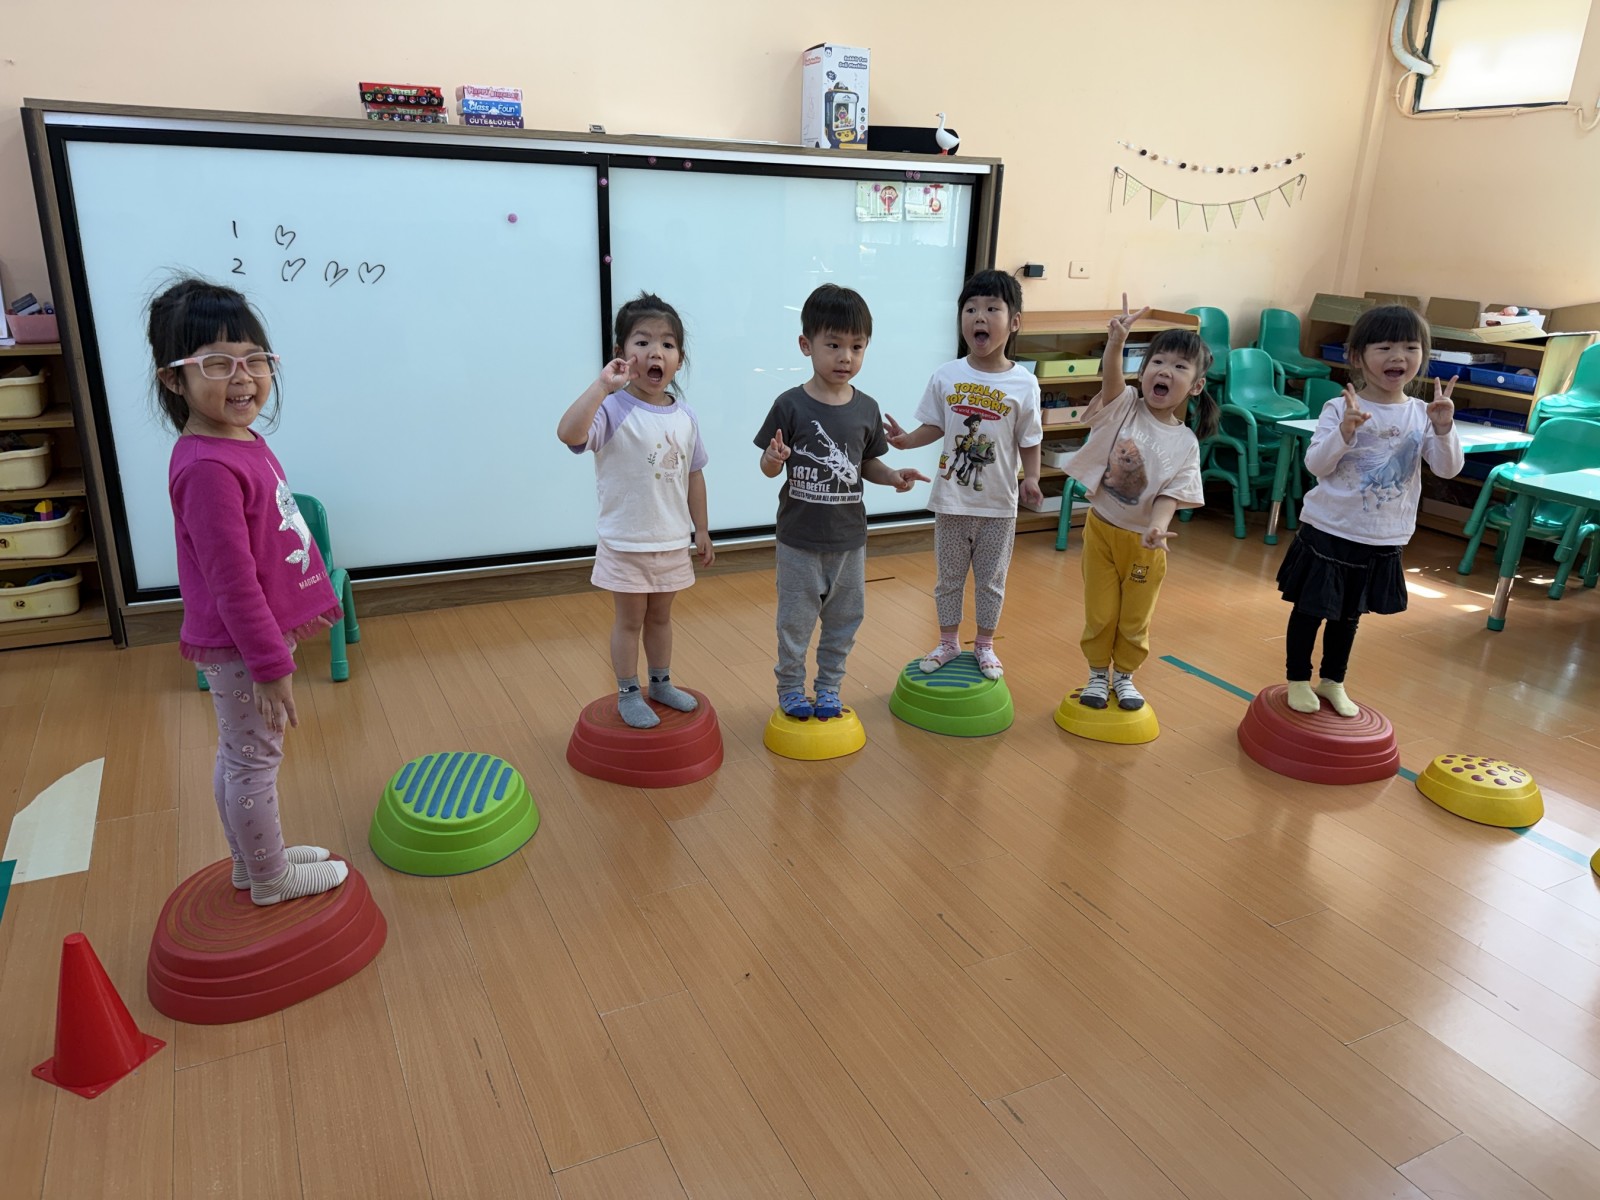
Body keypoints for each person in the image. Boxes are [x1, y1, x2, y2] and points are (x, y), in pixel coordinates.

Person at [152, 278, 346, 906]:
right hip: (244, 646)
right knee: (253, 762)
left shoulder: (238, 442)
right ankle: (269, 878)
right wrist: (269, 664)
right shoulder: (208, 466)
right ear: (173, 379)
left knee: (240, 755)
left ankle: (249, 863)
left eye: (254, 359)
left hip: (253, 639)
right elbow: (233, 585)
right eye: (216, 363)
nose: (243, 378)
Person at [1276, 304, 1462, 716]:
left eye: (1410, 347)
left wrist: (1444, 428)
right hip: (1329, 528)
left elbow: (1447, 468)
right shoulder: (1339, 407)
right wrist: (1345, 432)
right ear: (1357, 357)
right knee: (1310, 609)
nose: (1399, 356)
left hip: (1382, 535)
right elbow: (1315, 465)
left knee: (1349, 616)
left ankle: (1333, 680)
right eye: (1385, 347)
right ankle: (1297, 678)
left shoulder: (1423, 413)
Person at [754, 284, 929, 720]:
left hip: (850, 541)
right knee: (795, 621)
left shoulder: (866, 408)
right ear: (806, 345)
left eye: (856, 346)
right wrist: (773, 460)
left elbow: (865, 463)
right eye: (833, 345)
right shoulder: (789, 405)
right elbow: (768, 467)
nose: (845, 357)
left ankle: (829, 687)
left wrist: (893, 477)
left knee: (845, 619)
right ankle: (791, 688)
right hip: (798, 540)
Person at [558, 293, 712, 729]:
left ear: (679, 359)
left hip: (671, 542)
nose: (655, 352)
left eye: (667, 344)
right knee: (629, 621)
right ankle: (628, 690)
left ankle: (660, 682)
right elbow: (568, 434)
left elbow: (694, 474)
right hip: (626, 542)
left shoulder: (685, 416)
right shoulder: (612, 408)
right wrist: (602, 387)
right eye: (642, 342)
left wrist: (701, 529)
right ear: (621, 354)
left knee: (661, 618)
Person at [884, 269, 1043, 679]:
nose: (979, 317)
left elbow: (1030, 438)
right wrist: (906, 441)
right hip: (952, 501)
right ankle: (949, 642)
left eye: (992, 309)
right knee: (949, 579)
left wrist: (1032, 478)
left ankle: (985, 645)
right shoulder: (947, 375)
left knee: (991, 581)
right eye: (970, 309)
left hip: (998, 505)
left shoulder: (1024, 383)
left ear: (1014, 322)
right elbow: (935, 425)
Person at [1064, 294, 1218, 710]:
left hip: (1146, 544)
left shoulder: (1186, 443)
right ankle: (1098, 675)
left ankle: (1126, 676)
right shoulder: (1125, 407)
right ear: (1144, 371)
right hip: (1101, 530)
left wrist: (1157, 527)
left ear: (1196, 386)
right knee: (1100, 612)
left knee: (1134, 616)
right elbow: (1112, 381)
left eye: (1180, 367)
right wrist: (1116, 342)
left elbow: (1172, 493)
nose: (1165, 371)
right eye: (1158, 362)